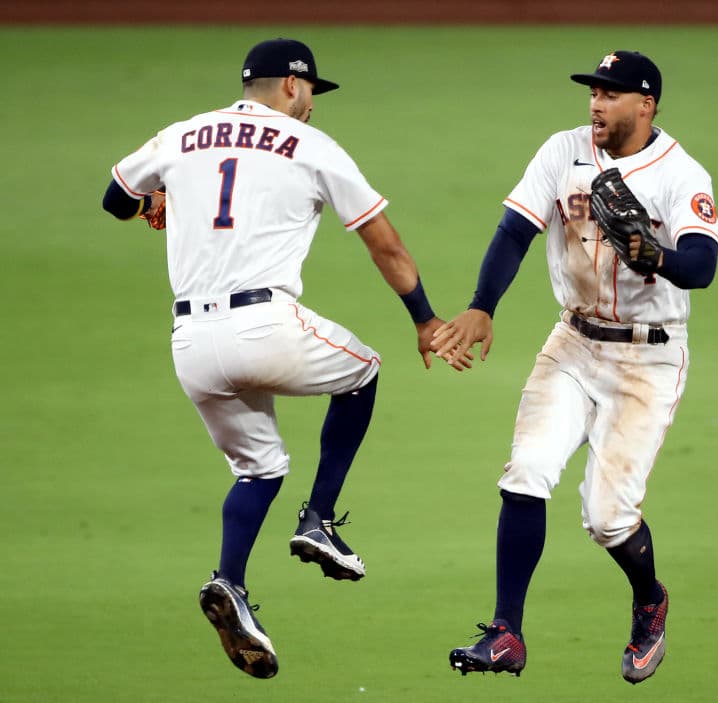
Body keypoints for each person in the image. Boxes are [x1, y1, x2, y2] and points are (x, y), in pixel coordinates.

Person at [101, 38, 462, 679]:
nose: (313, 107)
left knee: (259, 469)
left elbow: (117, 196)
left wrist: (152, 204)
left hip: (189, 345)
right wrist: (425, 318)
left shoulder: (183, 134)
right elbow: (385, 245)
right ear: (292, 86)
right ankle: (319, 519)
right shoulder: (311, 147)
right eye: (312, 94)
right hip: (265, 324)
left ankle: (230, 582)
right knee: (363, 370)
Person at [434, 50, 718, 684]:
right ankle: (507, 632)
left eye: (611, 94)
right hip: (572, 343)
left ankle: (650, 600)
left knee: (607, 518)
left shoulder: (680, 173)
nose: (595, 103)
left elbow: (702, 266)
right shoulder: (563, 150)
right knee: (526, 471)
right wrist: (482, 306)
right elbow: (515, 231)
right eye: (593, 91)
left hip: (648, 356)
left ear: (645, 106)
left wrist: (657, 254)